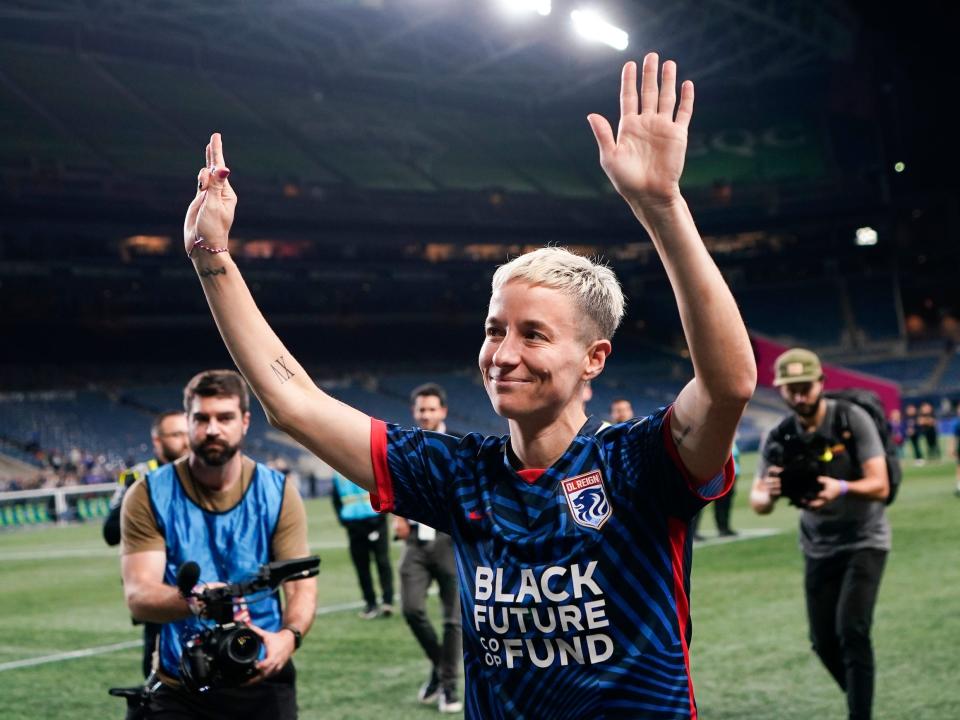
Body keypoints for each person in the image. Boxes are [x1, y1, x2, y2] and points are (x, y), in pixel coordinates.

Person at [183, 52, 755, 718]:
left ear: (594, 358)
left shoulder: (640, 462)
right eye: (493, 330)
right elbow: (293, 403)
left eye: (533, 335)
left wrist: (661, 206)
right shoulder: (459, 476)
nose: (502, 354)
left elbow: (730, 384)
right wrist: (213, 260)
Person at [120, 370, 316, 719]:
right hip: (181, 683)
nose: (212, 429)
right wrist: (195, 600)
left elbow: (301, 588)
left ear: (244, 421)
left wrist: (288, 637)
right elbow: (139, 596)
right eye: (201, 418)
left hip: (261, 674)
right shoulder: (148, 494)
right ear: (189, 421)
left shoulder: (278, 492)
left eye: (224, 417)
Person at [749, 348, 890, 720]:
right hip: (817, 546)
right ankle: (859, 697)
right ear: (780, 390)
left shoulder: (851, 418)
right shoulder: (779, 436)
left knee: (852, 630)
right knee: (823, 642)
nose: (799, 396)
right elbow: (758, 500)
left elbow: (880, 484)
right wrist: (771, 492)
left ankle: (860, 714)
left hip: (864, 540)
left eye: (805, 387)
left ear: (821, 384)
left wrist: (839, 487)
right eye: (790, 388)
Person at [392, 383, 463, 713]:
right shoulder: (406, 445)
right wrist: (398, 515)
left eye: (432, 409)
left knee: (453, 620)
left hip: (449, 541)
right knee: (411, 609)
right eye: (421, 409)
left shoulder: (461, 444)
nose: (426, 415)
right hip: (416, 544)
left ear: (443, 412)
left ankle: (448, 687)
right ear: (414, 412)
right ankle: (440, 668)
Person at [104, 410, 188, 679]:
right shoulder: (138, 477)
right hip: (158, 585)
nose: (185, 441)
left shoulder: (207, 471)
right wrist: (141, 499)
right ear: (157, 441)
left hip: (206, 579)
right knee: (158, 670)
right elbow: (110, 532)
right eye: (176, 435)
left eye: (188, 433)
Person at [331, 469, 395, 619]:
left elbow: (383, 486)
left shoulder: (366, 462)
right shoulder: (338, 473)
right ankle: (371, 604)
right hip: (354, 524)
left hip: (376, 520)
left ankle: (387, 601)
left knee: (382, 561)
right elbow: (336, 499)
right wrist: (344, 521)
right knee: (362, 566)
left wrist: (383, 514)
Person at [690, 439, 739, 540]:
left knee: (724, 502)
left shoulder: (728, 440)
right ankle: (693, 532)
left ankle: (723, 528)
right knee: (698, 502)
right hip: (712, 473)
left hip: (728, 474)